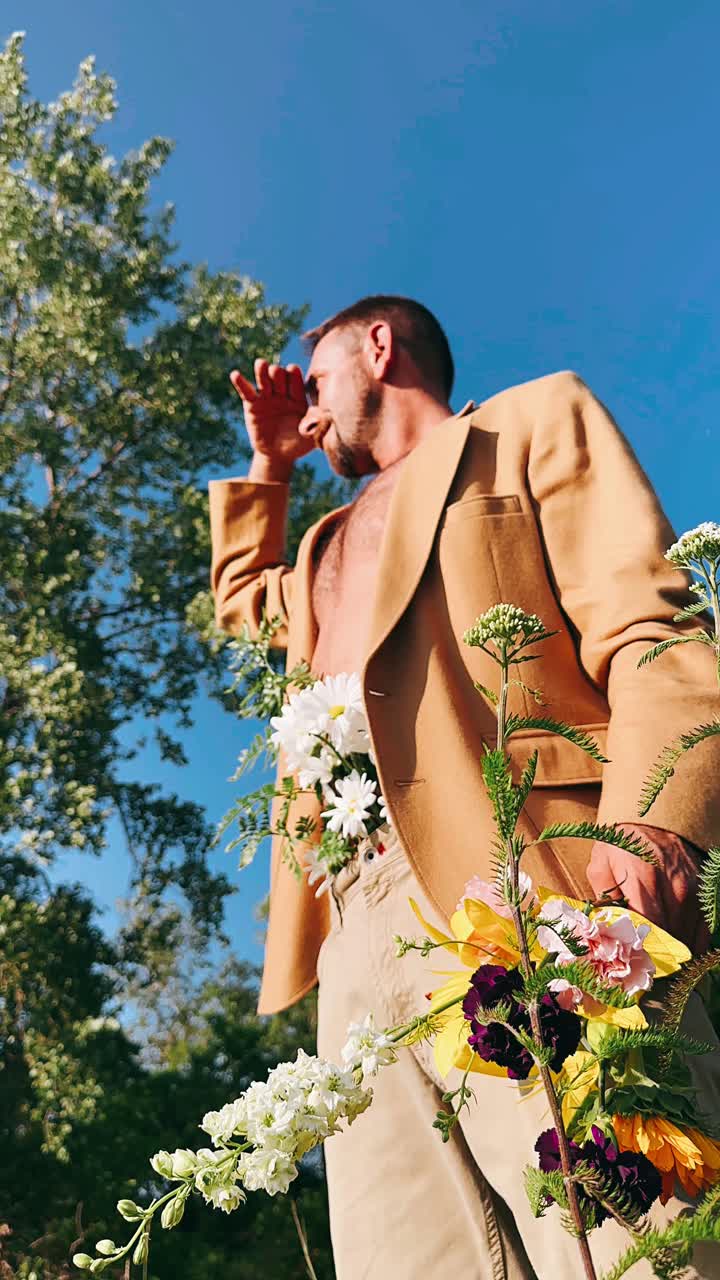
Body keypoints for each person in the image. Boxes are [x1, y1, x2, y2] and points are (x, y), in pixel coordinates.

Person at [209, 296, 720, 1279]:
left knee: (634, 1247)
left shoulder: (530, 422)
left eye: (313, 387)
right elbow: (237, 606)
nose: (309, 414)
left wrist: (655, 822)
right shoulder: (319, 547)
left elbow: (650, 632)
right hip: (350, 942)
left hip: (528, 881)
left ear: (378, 345)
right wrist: (271, 464)